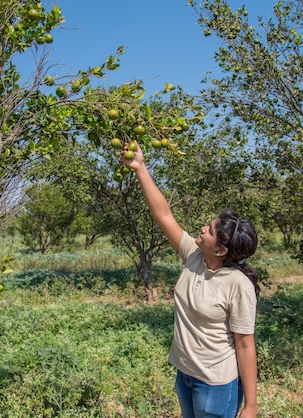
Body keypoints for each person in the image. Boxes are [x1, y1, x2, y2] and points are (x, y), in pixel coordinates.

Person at [121, 142, 259, 418]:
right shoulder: (195, 255)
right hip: (185, 376)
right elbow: (163, 214)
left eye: (209, 230)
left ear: (221, 250)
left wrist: (251, 406)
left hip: (216, 384)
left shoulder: (238, 285)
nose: (202, 228)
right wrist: (140, 168)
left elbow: (245, 344)